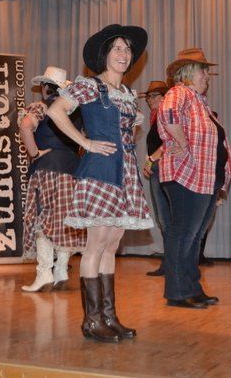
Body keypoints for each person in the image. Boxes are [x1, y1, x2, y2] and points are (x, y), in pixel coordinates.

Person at [47, 24, 153, 343]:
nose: (123, 54)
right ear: (105, 55)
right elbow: (56, 111)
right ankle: (91, 320)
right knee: (96, 243)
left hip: (124, 173)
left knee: (112, 243)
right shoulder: (91, 86)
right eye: (116, 48)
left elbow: (123, 132)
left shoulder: (127, 93)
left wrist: (133, 124)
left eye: (127, 49)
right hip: (100, 172)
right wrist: (85, 142)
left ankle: (109, 316)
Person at [157, 48, 231, 309]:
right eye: (203, 71)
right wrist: (181, 142)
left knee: (195, 236)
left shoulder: (201, 103)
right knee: (183, 233)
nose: (207, 76)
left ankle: (192, 288)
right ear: (188, 72)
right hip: (186, 175)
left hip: (206, 177)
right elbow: (168, 114)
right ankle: (178, 292)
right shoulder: (180, 92)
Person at [18, 66, 86, 292]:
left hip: (47, 168)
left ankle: (44, 272)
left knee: (43, 218)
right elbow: (83, 138)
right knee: (65, 220)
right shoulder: (74, 110)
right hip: (72, 169)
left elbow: (25, 126)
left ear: (45, 87)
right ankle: (61, 270)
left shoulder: (41, 106)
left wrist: (34, 153)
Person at [140, 80, 170, 277]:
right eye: (148, 97)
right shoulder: (156, 118)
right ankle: (170, 262)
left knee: (166, 219)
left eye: (153, 96)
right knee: (163, 219)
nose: (149, 100)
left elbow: (169, 141)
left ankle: (171, 263)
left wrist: (151, 160)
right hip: (158, 168)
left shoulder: (164, 115)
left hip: (163, 168)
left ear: (164, 97)